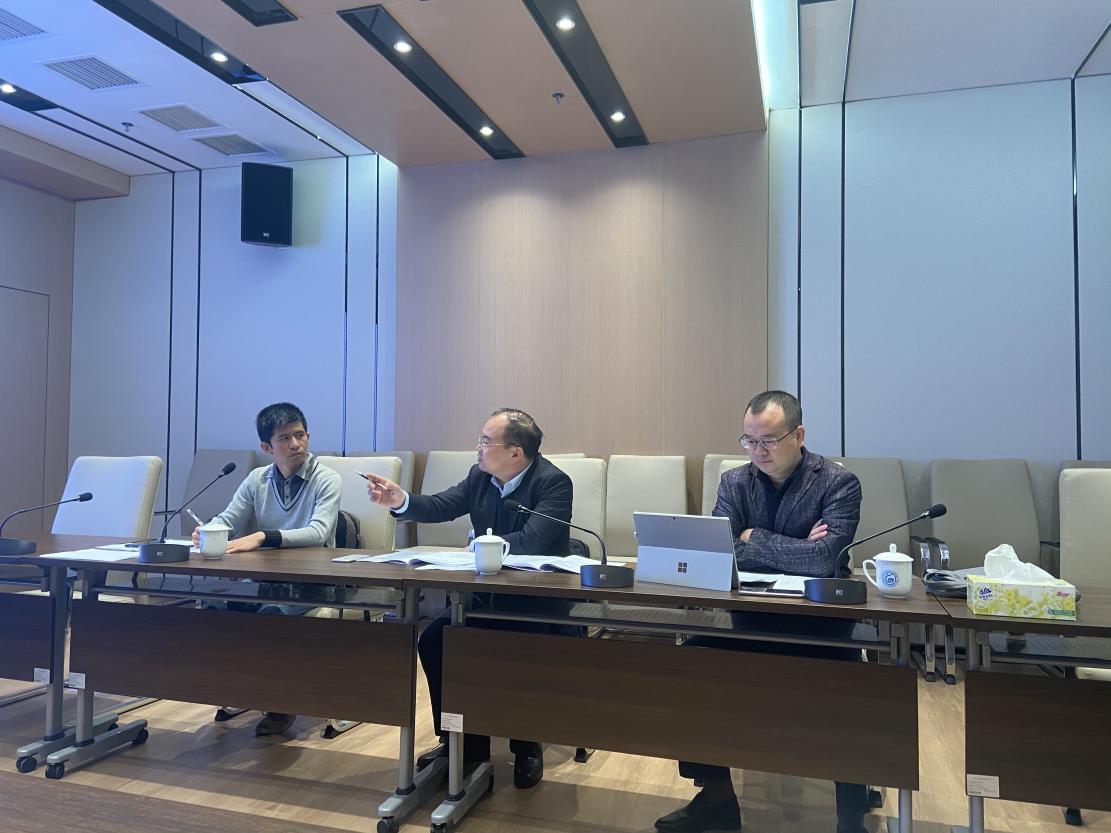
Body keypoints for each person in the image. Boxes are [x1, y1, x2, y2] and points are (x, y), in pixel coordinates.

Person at [654, 390, 869, 833]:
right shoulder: (735, 482)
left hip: (819, 621)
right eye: (749, 441)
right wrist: (791, 546)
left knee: (852, 692)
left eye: (768, 440)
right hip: (747, 615)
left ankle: (851, 813)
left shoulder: (838, 483)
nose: (758, 451)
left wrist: (753, 536)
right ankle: (716, 799)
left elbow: (824, 559)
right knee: (688, 666)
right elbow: (721, 550)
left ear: (798, 435)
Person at [366, 407, 573, 788]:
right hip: (484, 596)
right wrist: (401, 500)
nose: (477, 447)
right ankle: (461, 740)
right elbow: (442, 505)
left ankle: (527, 744)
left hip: (535, 601)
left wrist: (478, 545)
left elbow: (533, 541)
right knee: (435, 640)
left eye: (485, 441)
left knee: (516, 652)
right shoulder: (480, 476)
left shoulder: (553, 482)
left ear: (515, 452)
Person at [194, 402, 341, 736]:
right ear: (266, 447)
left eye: (300, 435)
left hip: (312, 581)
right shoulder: (256, 480)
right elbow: (229, 520)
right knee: (215, 603)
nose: (295, 444)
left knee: (271, 612)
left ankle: (280, 701)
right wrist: (209, 530)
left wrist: (264, 536)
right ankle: (238, 686)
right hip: (263, 579)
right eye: (285, 438)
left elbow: (319, 532)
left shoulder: (326, 479)